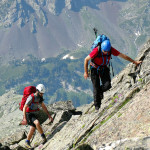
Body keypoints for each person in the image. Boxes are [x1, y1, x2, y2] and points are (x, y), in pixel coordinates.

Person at [84, 40, 142, 111]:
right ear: (101, 48)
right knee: (96, 87)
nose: (105, 52)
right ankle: (97, 106)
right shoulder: (96, 50)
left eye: (106, 51)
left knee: (107, 85)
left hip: (104, 68)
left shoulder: (111, 50)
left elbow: (123, 56)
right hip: (94, 69)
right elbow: (86, 59)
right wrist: (86, 72)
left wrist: (134, 62)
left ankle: (100, 92)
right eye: (104, 51)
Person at [22, 84, 53, 148]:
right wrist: (24, 118)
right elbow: (24, 107)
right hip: (29, 114)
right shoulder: (31, 97)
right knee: (37, 123)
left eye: (42, 93)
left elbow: (43, 107)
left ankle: (27, 142)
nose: (42, 95)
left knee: (32, 129)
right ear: (37, 91)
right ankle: (44, 137)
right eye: (41, 93)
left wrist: (48, 115)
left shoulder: (40, 98)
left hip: (35, 114)